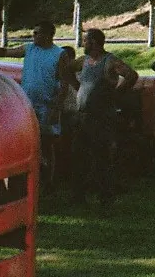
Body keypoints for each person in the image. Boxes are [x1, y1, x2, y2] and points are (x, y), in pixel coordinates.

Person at [73, 28, 137, 206]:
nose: (83, 44)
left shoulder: (110, 62)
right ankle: (80, 195)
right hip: (83, 115)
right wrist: (78, 87)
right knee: (80, 156)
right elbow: (67, 69)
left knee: (102, 156)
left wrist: (116, 94)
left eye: (85, 40)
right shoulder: (84, 61)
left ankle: (106, 195)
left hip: (101, 117)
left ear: (93, 42)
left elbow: (131, 75)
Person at [22, 21, 73, 184]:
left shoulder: (58, 55)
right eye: (33, 33)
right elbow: (6, 51)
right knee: (29, 142)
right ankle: (31, 179)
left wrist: (56, 108)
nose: (34, 36)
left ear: (47, 35)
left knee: (47, 143)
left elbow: (65, 84)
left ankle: (48, 180)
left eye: (37, 33)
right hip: (28, 104)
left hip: (47, 106)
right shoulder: (29, 49)